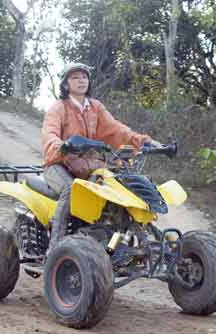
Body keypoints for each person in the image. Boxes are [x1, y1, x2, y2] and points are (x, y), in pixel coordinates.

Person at [40, 63, 160, 253]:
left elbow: (116, 129)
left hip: (89, 165)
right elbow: (50, 133)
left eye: (84, 77)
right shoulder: (58, 108)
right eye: (75, 77)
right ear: (65, 84)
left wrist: (144, 141)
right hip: (58, 164)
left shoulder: (95, 107)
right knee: (71, 189)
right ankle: (55, 248)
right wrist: (62, 145)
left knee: (119, 185)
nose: (81, 81)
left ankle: (122, 237)